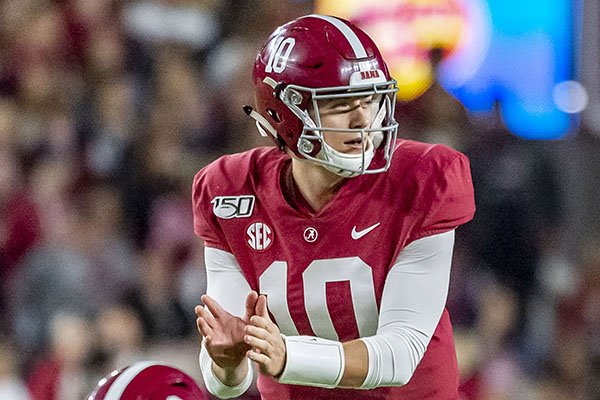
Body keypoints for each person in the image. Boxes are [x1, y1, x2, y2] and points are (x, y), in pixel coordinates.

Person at [192, 14, 475, 400]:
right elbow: (227, 382)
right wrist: (226, 362)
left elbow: (400, 354)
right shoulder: (231, 191)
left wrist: (288, 355)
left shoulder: (423, 178)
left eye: (369, 99)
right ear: (283, 114)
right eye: (340, 104)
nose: (363, 120)